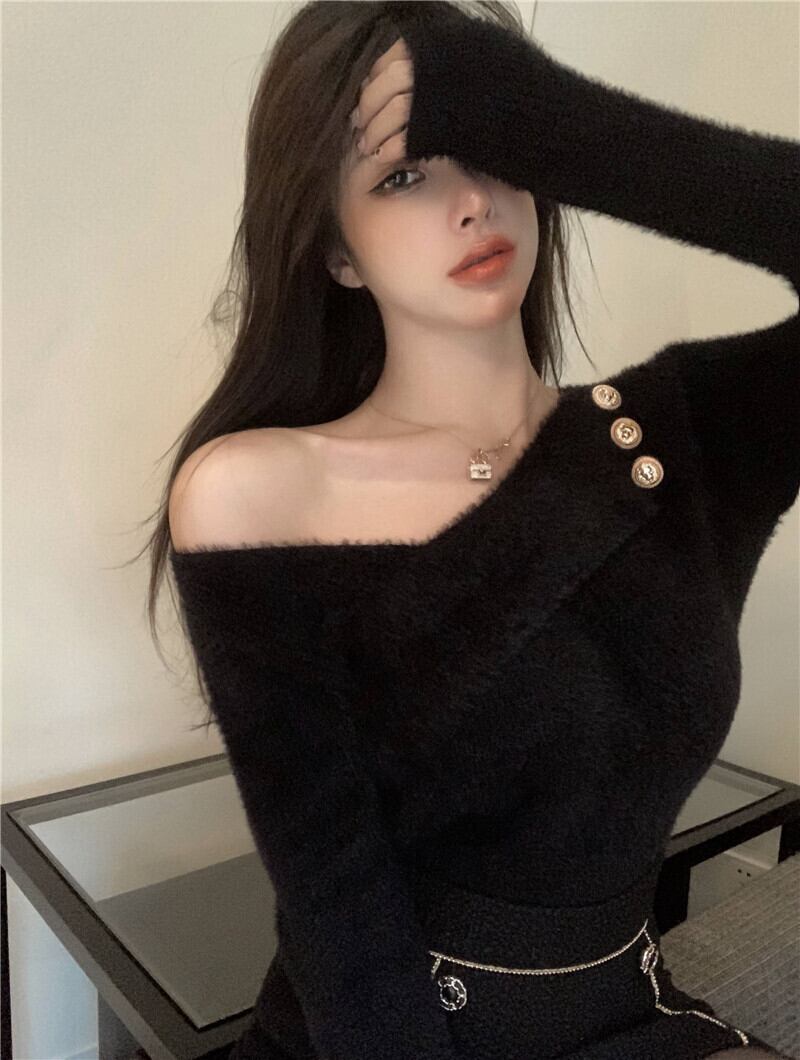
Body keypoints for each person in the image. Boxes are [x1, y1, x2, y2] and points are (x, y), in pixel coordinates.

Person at [156, 2, 799, 1057]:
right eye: (404, 175)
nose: (471, 203)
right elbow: (335, 903)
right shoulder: (257, 493)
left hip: (623, 1016)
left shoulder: (679, 441)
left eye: (497, 151)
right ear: (336, 250)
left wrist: (567, 125)